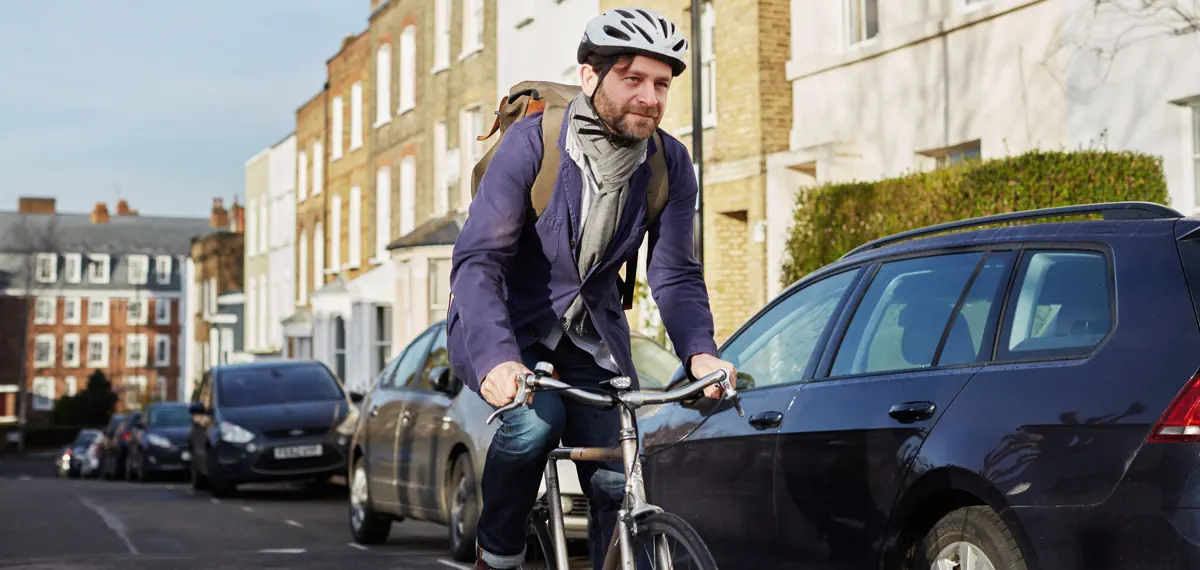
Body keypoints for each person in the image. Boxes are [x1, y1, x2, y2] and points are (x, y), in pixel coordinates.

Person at [445, 7, 738, 570]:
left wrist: (701, 354)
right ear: (590, 78)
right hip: (504, 323)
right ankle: (498, 554)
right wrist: (499, 362)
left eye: (661, 84)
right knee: (537, 421)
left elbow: (674, 272)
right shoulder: (534, 145)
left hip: (589, 337)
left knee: (618, 470)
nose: (650, 97)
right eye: (633, 80)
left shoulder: (670, 164)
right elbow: (480, 260)